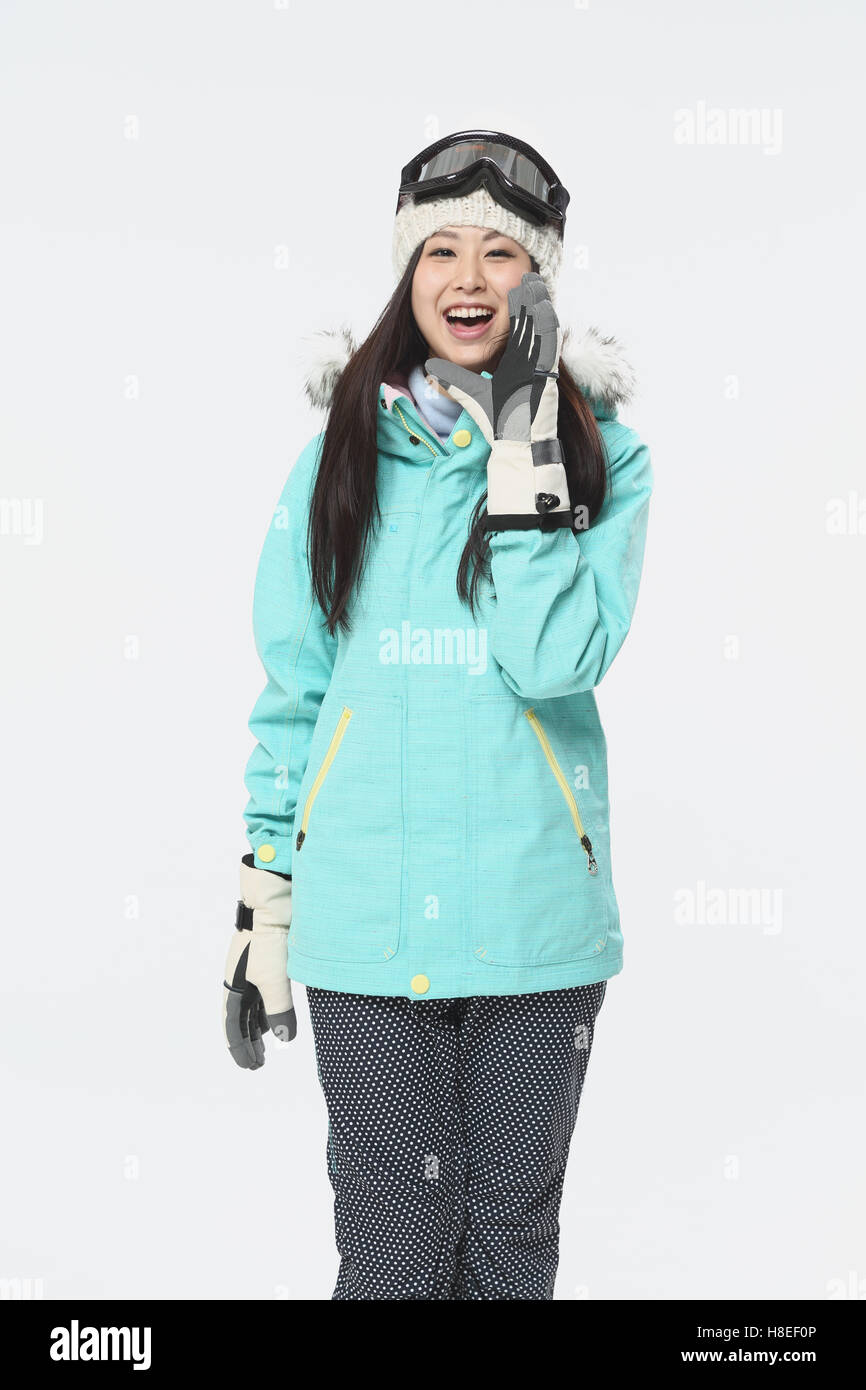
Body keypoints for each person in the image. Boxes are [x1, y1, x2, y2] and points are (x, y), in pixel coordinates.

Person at [221, 130, 654, 1301]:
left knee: (507, 1248)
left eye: (501, 253)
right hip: (363, 926)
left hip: (535, 925)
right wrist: (266, 896)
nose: (467, 279)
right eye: (440, 252)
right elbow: (294, 696)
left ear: (541, 283)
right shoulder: (337, 461)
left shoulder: (605, 459)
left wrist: (522, 449)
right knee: (396, 1250)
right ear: (405, 278)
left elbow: (555, 655)